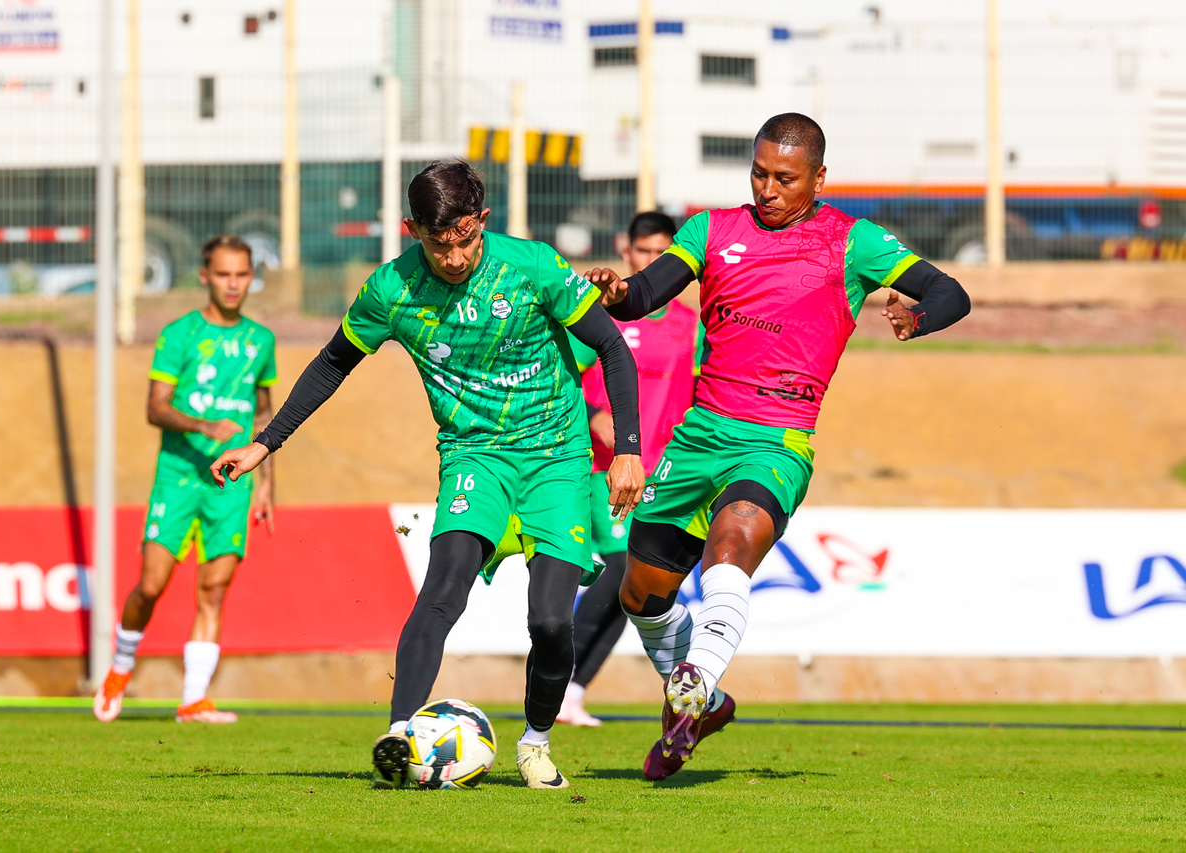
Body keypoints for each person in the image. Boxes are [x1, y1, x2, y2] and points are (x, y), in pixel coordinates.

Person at [208, 160, 645, 790]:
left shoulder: (532, 266)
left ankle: (535, 741)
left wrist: (628, 448)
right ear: (413, 231)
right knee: (443, 588)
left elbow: (612, 347)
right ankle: (400, 735)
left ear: (482, 221)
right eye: (439, 244)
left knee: (550, 621)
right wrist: (264, 443)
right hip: (474, 457)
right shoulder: (391, 290)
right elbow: (333, 364)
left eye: (466, 238)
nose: (456, 256)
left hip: (556, 458)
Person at [586, 113, 971, 780]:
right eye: (759, 174)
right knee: (640, 593)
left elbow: (950, 289)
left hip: (776, 438)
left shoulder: (854, 242)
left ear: (818, 178)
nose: (768, 188)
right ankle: (701, 705)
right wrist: (619, 293)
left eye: (785, 178)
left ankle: (695, 682)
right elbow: (647, 292)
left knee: (732, 540)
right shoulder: (711, 230)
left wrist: (918, 313)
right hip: (699, 432)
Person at [93, 235, 277, 725]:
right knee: (151, 586)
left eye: (242, 274)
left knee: (214, 589)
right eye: (223, 274)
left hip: (232, 482)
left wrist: (266, 484)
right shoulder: (178, 334)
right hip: (177, 477)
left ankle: (193, 699)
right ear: (205, 276)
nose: (234, 284)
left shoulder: (262, 340)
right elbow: (154, 408)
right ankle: (119, 668)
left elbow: (264, 413)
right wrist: (203, 426)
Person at [556, 212, 701, 727]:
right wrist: (594, 416)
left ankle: (571, 690)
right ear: (625, 250)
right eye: (644, 251)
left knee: (633, 588)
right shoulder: (602, 318)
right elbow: (559, 376)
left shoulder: (690, 328)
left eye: (665, 253)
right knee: (618, 567)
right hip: (606, 470)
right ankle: (553, 677)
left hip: (665, 478)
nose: (653, 262)